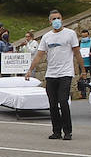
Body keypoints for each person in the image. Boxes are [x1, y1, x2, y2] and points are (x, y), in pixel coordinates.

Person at [25, 9, 83, 141]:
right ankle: (56, 131)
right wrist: (30, 70)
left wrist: (83, 70)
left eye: (58, 18)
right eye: (53, 19)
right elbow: (39, 55)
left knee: (63, 101)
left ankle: (67, 131)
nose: (56, 21)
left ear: (62, 19)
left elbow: (77, 52)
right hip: (51, 74)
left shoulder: (70, 34)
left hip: (65, 73)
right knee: (52, 104)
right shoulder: (47, 37)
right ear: (49, 21)